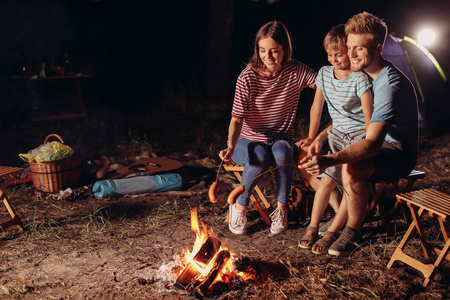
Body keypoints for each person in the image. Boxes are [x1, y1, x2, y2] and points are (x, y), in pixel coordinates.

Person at [299, 11, 418, 256]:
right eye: (349, 47)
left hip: (397, 152)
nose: (351, 55)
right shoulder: (363, 75)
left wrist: (330, 159)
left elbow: (372, 143)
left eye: (359, 49)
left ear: (378, 47)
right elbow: (348, 120)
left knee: (351, 167)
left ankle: (353, 231)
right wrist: (319, 139)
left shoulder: (388, 85)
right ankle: (330, 223)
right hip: (373, 143)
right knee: (313, 160)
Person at [219, 20, 317, 235]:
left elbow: (324, 85)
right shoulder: (248, 77)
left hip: (280, 138)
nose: (268, 57)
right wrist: (231, 146)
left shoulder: (296, 71)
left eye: (275, 51)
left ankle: (281, 209)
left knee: (283, 152)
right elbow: (236, 119)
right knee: (260, 157)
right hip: (248, 141)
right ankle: (240, 206)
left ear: (285, 49)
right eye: (263, 51)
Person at [297, 24, 373, 254]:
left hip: (358, 136)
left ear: (349, 52)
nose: (333, 60)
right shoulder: (324, 73)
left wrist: (369, 143)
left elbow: (370, 117)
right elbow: (316, 107)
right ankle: (313, 226)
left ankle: (333, 231)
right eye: (329, 55)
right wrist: (313, 136)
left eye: (338, 55)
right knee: (327, 180)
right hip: (337, 134)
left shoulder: (360, 78)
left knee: (349, 181)